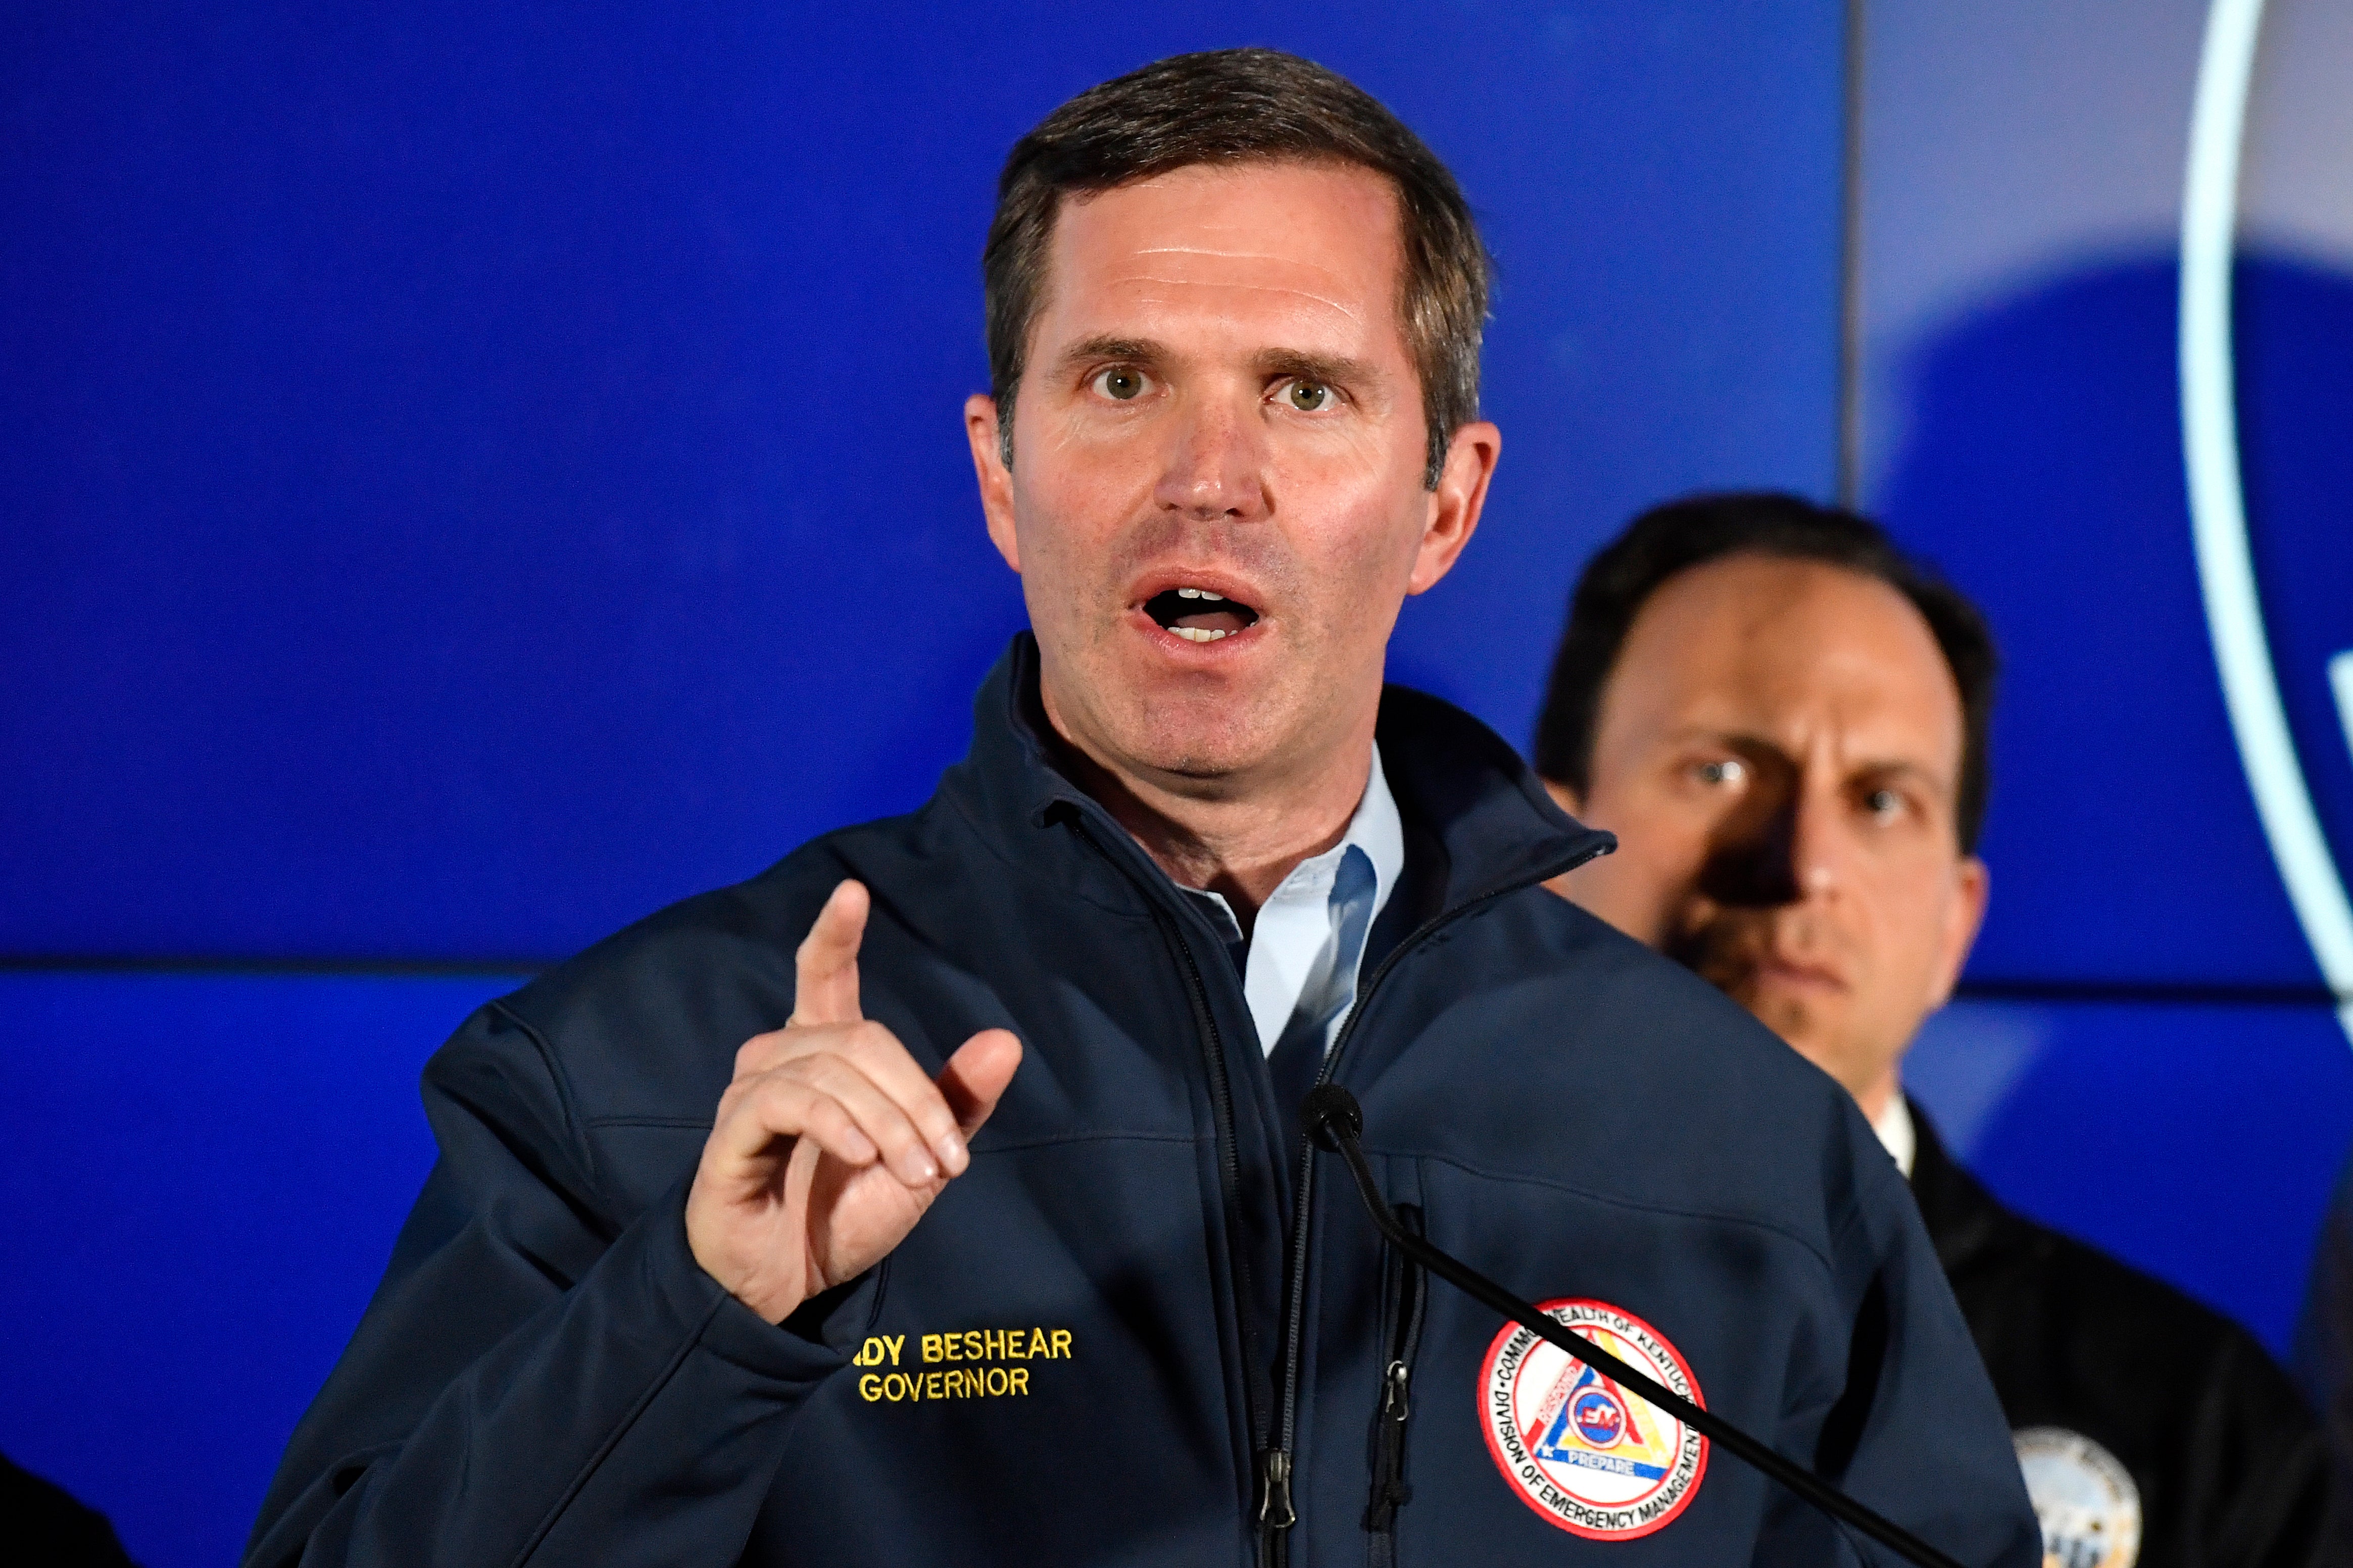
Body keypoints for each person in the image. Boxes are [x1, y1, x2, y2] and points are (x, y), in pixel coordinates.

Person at [250, 55, 2036, 1566]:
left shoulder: (1739, 1147)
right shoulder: (635, 1079)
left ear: (1441, 501)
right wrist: (704, 1314)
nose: (1208, 477)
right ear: (999, 474)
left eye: (1304, 391)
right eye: (1119, 382)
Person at [1534, 491, 2327, 1568]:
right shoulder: (1353, 1306)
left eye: (1878, 801)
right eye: (1720, 770)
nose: (1801, 864)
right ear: (1546, 851)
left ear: (1956, 923)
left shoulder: (2196, 1421)